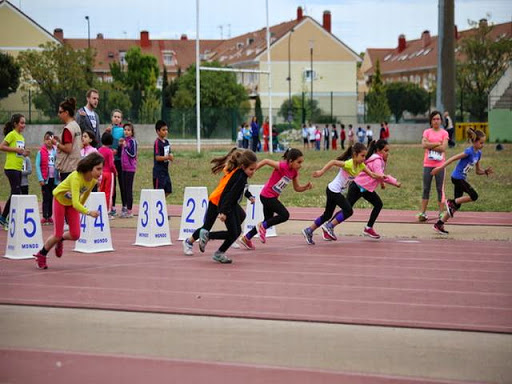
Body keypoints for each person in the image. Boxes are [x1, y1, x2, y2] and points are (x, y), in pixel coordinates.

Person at [33, 152, 104, 270]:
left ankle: (60, 240)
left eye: (101, 169)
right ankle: (41, 254)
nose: (100, 172)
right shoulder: (76, 177)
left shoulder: (92, 181)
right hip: (60, 201)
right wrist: (88, 212)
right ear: (89, 167)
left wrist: (81, 207)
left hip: (71, 204)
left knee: (75, 234)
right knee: (57, 234)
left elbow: (84, 196)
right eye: (98, 169)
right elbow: (76, 203)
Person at [301, 142, 382, 244]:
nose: (364, 158)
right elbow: (333, 162)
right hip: (333, 191)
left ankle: (309, 230)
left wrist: (382, 177)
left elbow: (372, 175)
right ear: (354, 155)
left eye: (365, 156)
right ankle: (329, 226)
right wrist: (321, 172)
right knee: (348, 210)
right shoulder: (349, 163)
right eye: (362, 156)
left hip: (333, 190)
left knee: (327, 215)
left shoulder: (361, 166)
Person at [183, 148, 255, 256]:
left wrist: (249, 196)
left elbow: (243, 188)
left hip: (227, 202)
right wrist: (224, 212)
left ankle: (231, 235)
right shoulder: (233, 170)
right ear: (241, 164)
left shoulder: (240, 173)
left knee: (241, 216)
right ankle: (188, 242)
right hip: (217, 200)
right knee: (206, 227)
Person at [239, 148, 313, 250]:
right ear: (290, 161)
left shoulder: (294, 173)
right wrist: (254, 170)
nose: (300, 165)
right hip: (267, 196)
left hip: (271, 197)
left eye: (301, 162)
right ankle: (262, 227)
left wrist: (305, 187)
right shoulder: (282, 166)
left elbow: (297, 188)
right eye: (298, 162)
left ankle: (247, 237)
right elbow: (266, 161)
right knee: (285, 215)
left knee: (267, 221)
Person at [431, 128, 492, 235]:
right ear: (474, 141)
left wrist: (485, 171)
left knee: (457, 206)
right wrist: (439, 168)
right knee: (474, 195)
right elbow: (453, 158)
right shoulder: (469, 151)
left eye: (484, 143)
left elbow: (477, 171)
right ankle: (451, 202)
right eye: (481, 142)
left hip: (461, 178)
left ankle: (439, 224)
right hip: (457, 177)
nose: (483, 145)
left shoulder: (478, 154)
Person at [347, 139, 401, 239]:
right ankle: (329, 225)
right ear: (378, 150)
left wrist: (381, 184)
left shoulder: (378, 159)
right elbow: (380, 175)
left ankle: (368, 228)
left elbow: (377, 174)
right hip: (357, 186)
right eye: (385, 150)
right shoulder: (377, 160)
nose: (387, 153)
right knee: (347, 209)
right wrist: (395, 182)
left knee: (378, 204)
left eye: (388, 151)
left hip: (365, 188)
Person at [418, 110, 449, 222]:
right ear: (431, 121)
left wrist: (430, 145)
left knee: (440, 189)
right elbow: (423, 145)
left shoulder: (444, 133)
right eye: (434, 119)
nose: (436, 121)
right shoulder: (427, 132)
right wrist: (437, 144)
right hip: (428, 164)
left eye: (438, 119)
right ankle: (423, 212)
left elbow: (443, 148)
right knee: (426, 188)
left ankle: (441, 213)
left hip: (440, 165)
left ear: (441, 121)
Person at [0, 114, 30, 229]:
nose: (24, 125)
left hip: (18, 169)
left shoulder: (21, 137)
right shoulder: (12, 135)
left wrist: (24, 153)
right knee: (16, 193)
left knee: (16, 193)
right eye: (22, 123)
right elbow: (2, 146)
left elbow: (19, 152)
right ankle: (4, 218)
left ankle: (5, 217)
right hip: (11, 168)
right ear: (15, 124)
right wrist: (16, 149)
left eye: (24, 123)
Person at [54, 97, 82, 181]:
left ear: (66, 112)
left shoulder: (67, 129)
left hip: (68, 168)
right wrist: (60, 139)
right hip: (76, 165)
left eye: (60, 112)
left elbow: (68, 148)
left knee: (66, 194)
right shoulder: (76, 125)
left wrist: (56, 143)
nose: (58, 114)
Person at [105, 109, 125, 217]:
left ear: (121, 119)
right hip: (110, 160)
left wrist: (119, 148)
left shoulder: (123, 130)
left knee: (122, 183)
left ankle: (124, 206)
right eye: (115, 116)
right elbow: (105, 142)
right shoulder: (109, 130)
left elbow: (124, 143)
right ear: (112, 118)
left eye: (118, 117)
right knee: (112, 184)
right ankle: (112, 206)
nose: (116, 118)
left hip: (120, 160)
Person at [36, 131, 59, 225]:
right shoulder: (40, 152)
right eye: (46, 139)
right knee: (46, 198)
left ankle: (50, 216)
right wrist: (40, 178)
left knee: (53, 198)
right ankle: (45, 216)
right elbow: (37, 165)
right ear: (44, 140)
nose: (48, 141)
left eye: (50, 139)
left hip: (55, 179)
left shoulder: (56, 151)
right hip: (45, 180)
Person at [118, 123, 138, 218]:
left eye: (128, 130)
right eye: (125, 130)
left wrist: (125, 147)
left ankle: (129, 210)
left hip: (130, 168)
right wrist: (120, 145)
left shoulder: (132, 141)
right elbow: (120, 154)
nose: (126, 131)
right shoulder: (124, 141)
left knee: (129, 189)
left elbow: (133, 154)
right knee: (124, 188)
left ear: (132, 132)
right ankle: (125, 208)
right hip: (123, 168)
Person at [98, 132, 117, 218]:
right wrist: (115, 171)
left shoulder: (99, 150)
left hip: (101, 173)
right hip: (109, 173)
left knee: (101, 191)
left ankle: (101, 209)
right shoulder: (109, 152)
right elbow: (111, 164)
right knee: (108, 193)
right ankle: (108, 211)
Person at [153, 120, 173, 198]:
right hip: (158, 172)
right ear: (158, 131)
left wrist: (171, 156)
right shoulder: (157, 142)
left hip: (165, 171)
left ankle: (161, 202)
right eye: (163, 130)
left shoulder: (167, 142)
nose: (166, 132)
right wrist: (167, 157)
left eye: (166, 130)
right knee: (158, 192)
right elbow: (157, 157)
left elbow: (169, 152)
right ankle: (157, 204)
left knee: (168, 189)